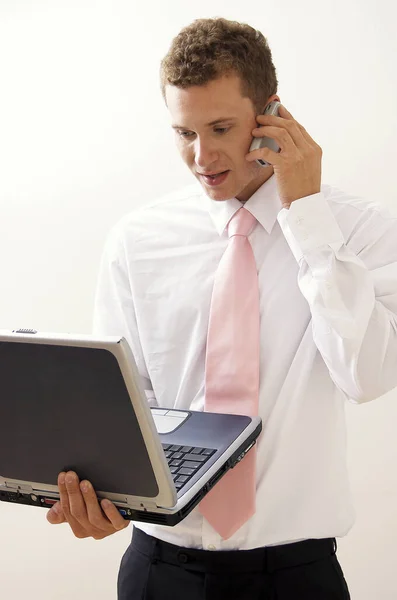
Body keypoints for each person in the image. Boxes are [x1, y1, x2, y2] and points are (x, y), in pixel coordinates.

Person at [47, 17, 397, 600]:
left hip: (295, 579)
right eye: (184, 132)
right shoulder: (139, 239)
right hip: (158, 570)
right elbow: (128, 407)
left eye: (220, 127)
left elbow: (368, 375)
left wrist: (306, 215)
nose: (201, 156)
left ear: (272, 116)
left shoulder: (356, 231)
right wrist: (103, 495)